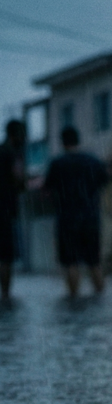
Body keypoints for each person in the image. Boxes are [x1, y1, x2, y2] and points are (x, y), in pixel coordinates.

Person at [43, 126, 109, 298]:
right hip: (90, 218)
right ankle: (100, 297)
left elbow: (47, 190)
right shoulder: (93, 161)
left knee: (71, 262)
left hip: (67, 220)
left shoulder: (57, 164)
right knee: (94, 261)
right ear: (78, 140)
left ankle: (74, 298)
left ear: (63, 142)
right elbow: (105, 183)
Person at [0, 120, 26, 301]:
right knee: (6, 255)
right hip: (6, 210)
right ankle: (6, 293)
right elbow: (18, 179)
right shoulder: (13, 153)